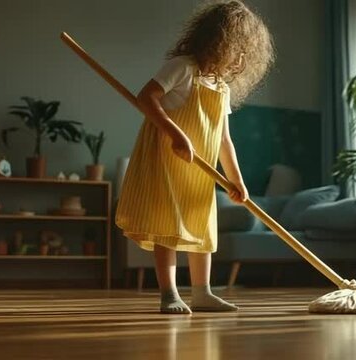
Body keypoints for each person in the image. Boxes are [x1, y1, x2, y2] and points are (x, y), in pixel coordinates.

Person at [116, 0, 273, 314]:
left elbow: (223, 138)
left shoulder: (220, 87)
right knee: (169, 228)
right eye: (236, 49)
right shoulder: (182, 67)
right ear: (217, 40)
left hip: (201, 172)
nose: (240, 59)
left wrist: (235, 178)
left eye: (245, 52)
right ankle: (169, 293)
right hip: (168, 163)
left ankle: (202, 293)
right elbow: (146, 97)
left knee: (202, 229)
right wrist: (175, 133)